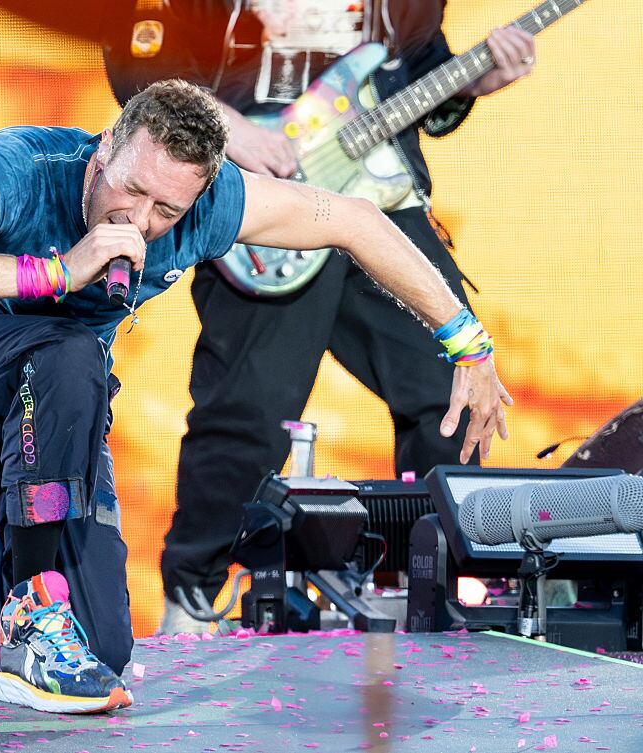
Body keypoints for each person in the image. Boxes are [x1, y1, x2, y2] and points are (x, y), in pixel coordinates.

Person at [0, 79, 510, 715]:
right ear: (105, 150)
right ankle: (31, 622)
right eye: (130, 190)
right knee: (69, 351)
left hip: (43, 419)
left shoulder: (210, 207)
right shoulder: (24, 165)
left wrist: (470, 345)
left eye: (167, 209)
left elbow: (357, 221)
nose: (141, 218)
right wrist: (57, 271)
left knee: (100, 648)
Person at [102, 1, 535, 633]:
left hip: (378, 200)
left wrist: (475, 78)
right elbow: (141, 64)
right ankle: (193, 597)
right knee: (247, 415)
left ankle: (427, 584)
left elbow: (417, 74)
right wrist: (230, 129)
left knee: (449, 392)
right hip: (263, 197)